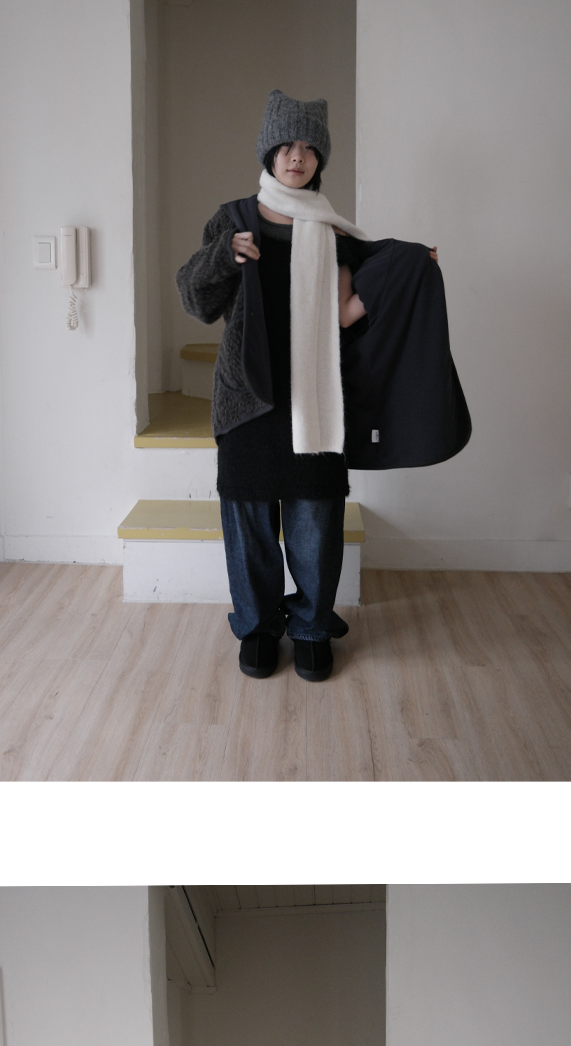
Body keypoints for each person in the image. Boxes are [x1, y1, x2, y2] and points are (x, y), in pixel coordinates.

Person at [177, 87, 471, 684]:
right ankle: (259, 626)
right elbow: (194, 299)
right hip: (247, 400)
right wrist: (224, 256)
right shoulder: (234, 220)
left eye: (309, 147)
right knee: (250, 524)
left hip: (315, 400)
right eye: (286, 144)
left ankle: (311, 626)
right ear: (268, 152)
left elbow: (344, 312)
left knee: (315, 524)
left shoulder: (332, 233)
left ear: (320, 159)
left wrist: (412, 269)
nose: (297, 156)